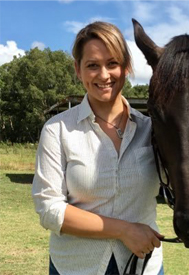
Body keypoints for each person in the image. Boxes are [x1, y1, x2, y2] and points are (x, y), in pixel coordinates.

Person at [31, 21, 164, 275]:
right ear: (78, 70)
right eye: (92, 65)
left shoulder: (151, 130)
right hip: (76, 266)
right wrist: (124, 230)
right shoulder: (57, 130)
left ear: (126, 68)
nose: (104, 75)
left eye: (112, 63)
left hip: (143, 266)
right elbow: (50, 210)